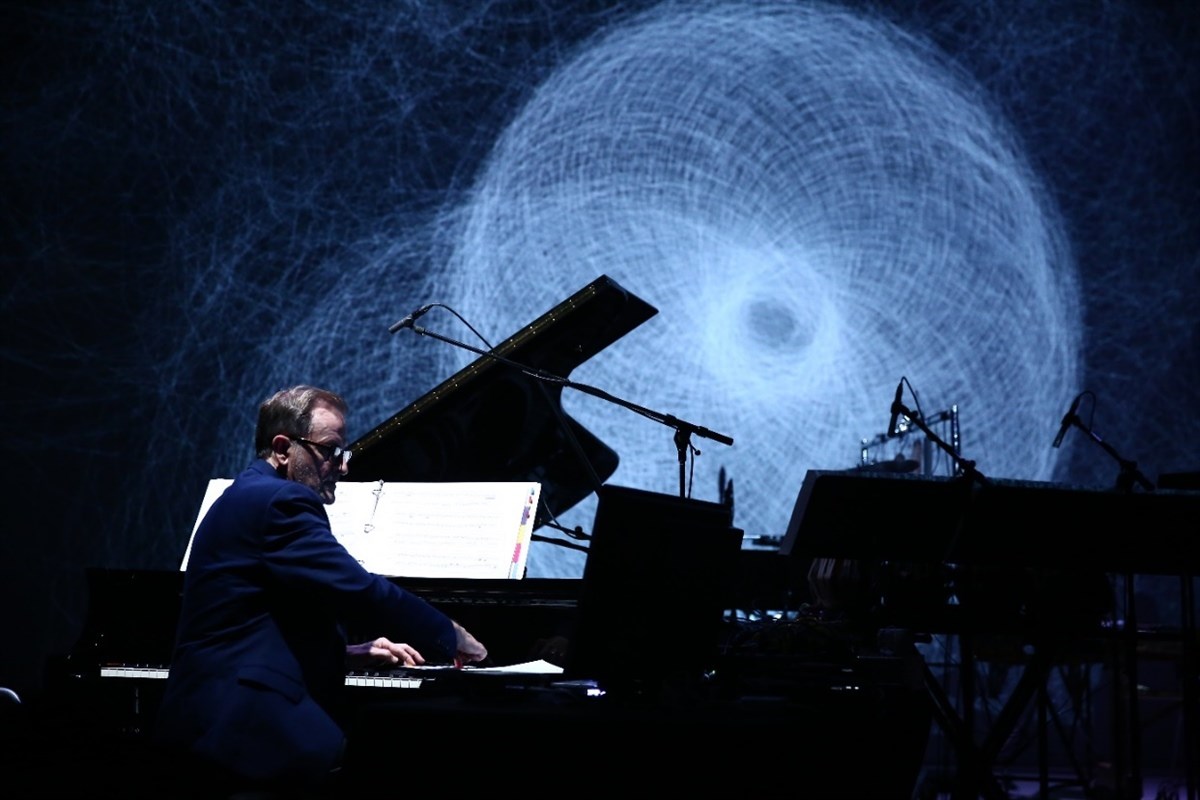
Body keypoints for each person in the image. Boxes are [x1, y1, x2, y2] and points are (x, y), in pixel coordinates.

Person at [154, 385, 487, 795]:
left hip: (209, 719)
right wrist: (450, 634)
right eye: (330, 450)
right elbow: (360, 591)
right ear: (282, 448)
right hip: (244, 731)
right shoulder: (281, 500)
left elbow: (252, 624)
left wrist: (344, 653)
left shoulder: (245, 494)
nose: (342, 466)